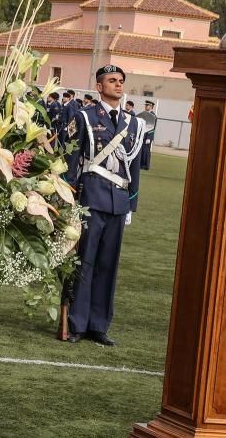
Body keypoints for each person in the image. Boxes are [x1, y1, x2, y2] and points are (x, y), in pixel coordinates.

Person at [64, 64, 143, 346]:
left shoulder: (134, 123)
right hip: (90, 199)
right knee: (84, 262)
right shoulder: (84, 116)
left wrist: (131, 205)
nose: (118, 85)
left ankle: (99, 325)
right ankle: (77, 323)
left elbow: (133, 170)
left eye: (121, 81)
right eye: (112, 81)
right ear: (99, 87)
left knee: (108, 264)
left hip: (118, 202)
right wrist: (68, 199)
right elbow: (71, 162)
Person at [137, 100, 158, 170]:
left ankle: (146, 165)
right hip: (142, 134)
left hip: (148, 135)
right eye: (145, 105)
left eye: (147, 105)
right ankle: (141, 164)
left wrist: (149, 137)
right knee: (141, 149)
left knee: (146, 150)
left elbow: (152, 127)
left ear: (151, 106)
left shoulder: (153, 116)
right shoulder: (145, 114)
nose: (146, 106)